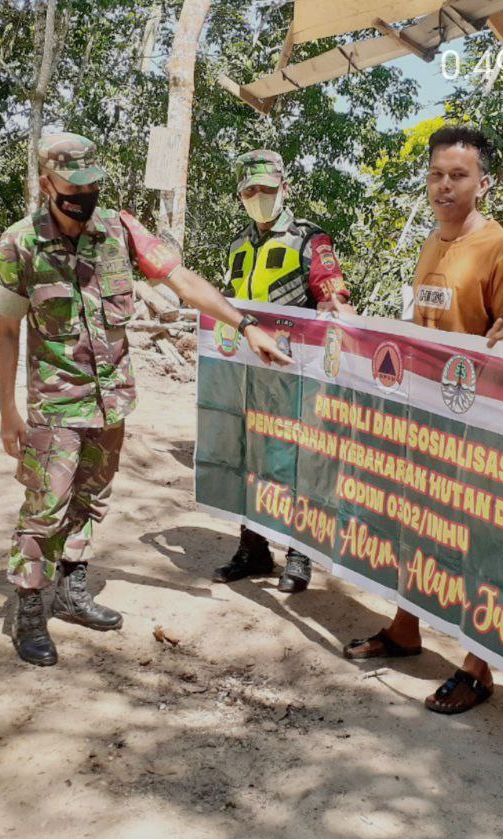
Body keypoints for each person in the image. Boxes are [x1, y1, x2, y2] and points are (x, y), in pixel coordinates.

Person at [0, 132, 290, 667]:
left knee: (89, 500)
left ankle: (73, 589)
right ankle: (30, 610)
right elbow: (9, 330)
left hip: (112, 403)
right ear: (46, 185)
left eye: (93, 184)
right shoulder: (19, 243)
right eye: (73, 186)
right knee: (44, 509)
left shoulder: (120, 229)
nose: (86, 196)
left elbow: (183, 281)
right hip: (55, 405)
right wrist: (7, 411)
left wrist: (245, 326)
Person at [341, 126, 503, 715]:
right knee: (416, 526)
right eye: (437, 175)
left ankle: (478, 668)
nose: (445, 186)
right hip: (422, 416)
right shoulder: (431, 243)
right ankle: (406, 629)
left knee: (475, 545)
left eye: (459, 176)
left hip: (476, 425)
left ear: (483, 183)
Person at [211, 149, 354, 594]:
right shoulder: (237, 244)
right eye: (250, 190)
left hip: (297, 374)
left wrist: (336, 303)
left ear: (284, 189)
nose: (259, 197)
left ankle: (300, 553)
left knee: (299, 462)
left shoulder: (310, 240)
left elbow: (332, 291)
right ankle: (252, 547)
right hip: (249, 374)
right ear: (241, 195)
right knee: (247, 455)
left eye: (267, 189)